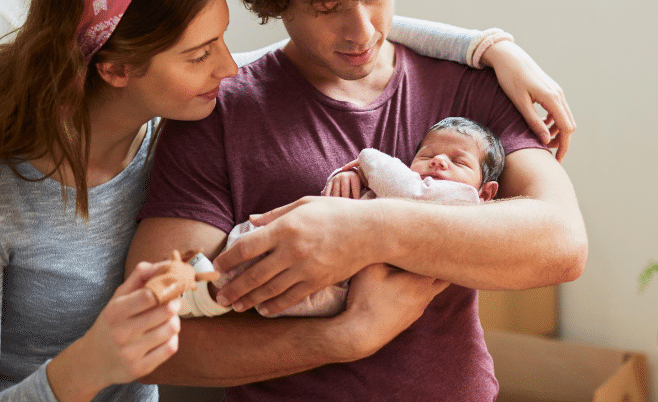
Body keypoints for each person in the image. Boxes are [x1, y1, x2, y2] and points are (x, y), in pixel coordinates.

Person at [0, 0, 571, 402]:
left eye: (221, 40)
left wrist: (491, 47)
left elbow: (561, 242)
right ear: (116, 71)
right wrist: (349, 335)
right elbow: (163, 346)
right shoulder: (194, 121)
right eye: (201, 54)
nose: (228, 68)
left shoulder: (180, 104)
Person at [126, 0, 587, 402]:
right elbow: (155, 339)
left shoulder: (468, 89)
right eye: (326, 5)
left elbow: (561, 243)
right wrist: (345, 337)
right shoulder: (216, 114)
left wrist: (364, 230)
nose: (363, 30)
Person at [182, 116, 505, 319]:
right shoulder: (407, 183)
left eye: (458, 161)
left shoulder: (462, 200)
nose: (438, 163)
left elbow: (409, 193)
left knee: (271, 286)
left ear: (486, 193)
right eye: (427, 155)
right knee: (262, 244)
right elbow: (373, 191)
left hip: (348, 285)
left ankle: (204, 297)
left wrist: (365, 160)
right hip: (329, 256)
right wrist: (346, 175)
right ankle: (203, 280)